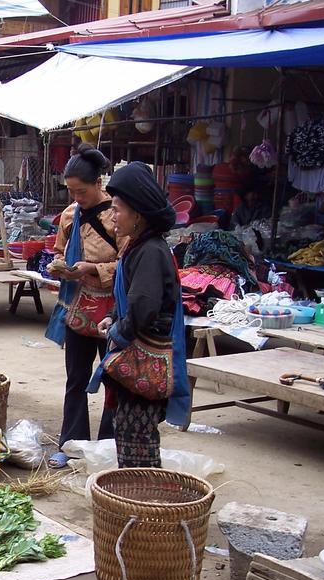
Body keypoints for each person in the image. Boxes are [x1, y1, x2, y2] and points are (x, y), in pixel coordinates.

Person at [90, 162, 191, 468]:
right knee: (131, 430)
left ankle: (144, 500)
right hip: (139, 348)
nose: (112, 216)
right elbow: (133, 302)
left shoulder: (150, 252)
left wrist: (118, 332)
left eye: (118, 209)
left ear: (139, 214)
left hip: (145, 361)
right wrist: (115, 318)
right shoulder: (142, 246)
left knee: (137, 435)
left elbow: (144, 308)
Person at [44, 145, 121, 467]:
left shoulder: (117, 216)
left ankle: (108, 447)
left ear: (98, 184)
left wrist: (93, 269)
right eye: (72, 191)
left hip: (112, 310)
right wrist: (59, 266)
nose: (77, 198)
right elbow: (60, 251)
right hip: (79, 308)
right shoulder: (69, 215)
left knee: (113, 380)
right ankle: (72, 443)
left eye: (83, 191)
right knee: (75, 379)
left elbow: (129, 264)